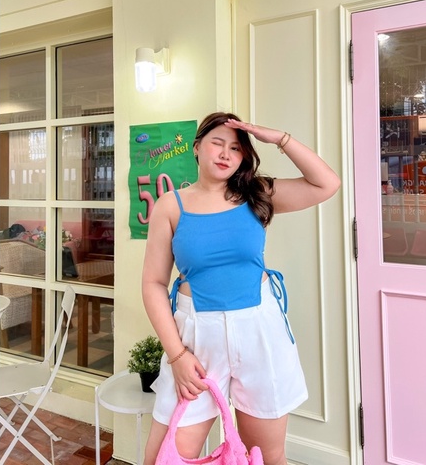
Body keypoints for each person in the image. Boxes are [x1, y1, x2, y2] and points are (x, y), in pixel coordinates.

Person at [141, 112, 341, 465]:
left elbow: (327, 183)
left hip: (259, 330)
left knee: (266, 456)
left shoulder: (256, 193)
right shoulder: (172, 205)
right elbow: (153, 283)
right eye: (217, 143)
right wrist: (177, 356)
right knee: (163, 457)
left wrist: (278, 137)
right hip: (196, 338)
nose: (225, 154)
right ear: (197, 147)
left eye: (236, 148)